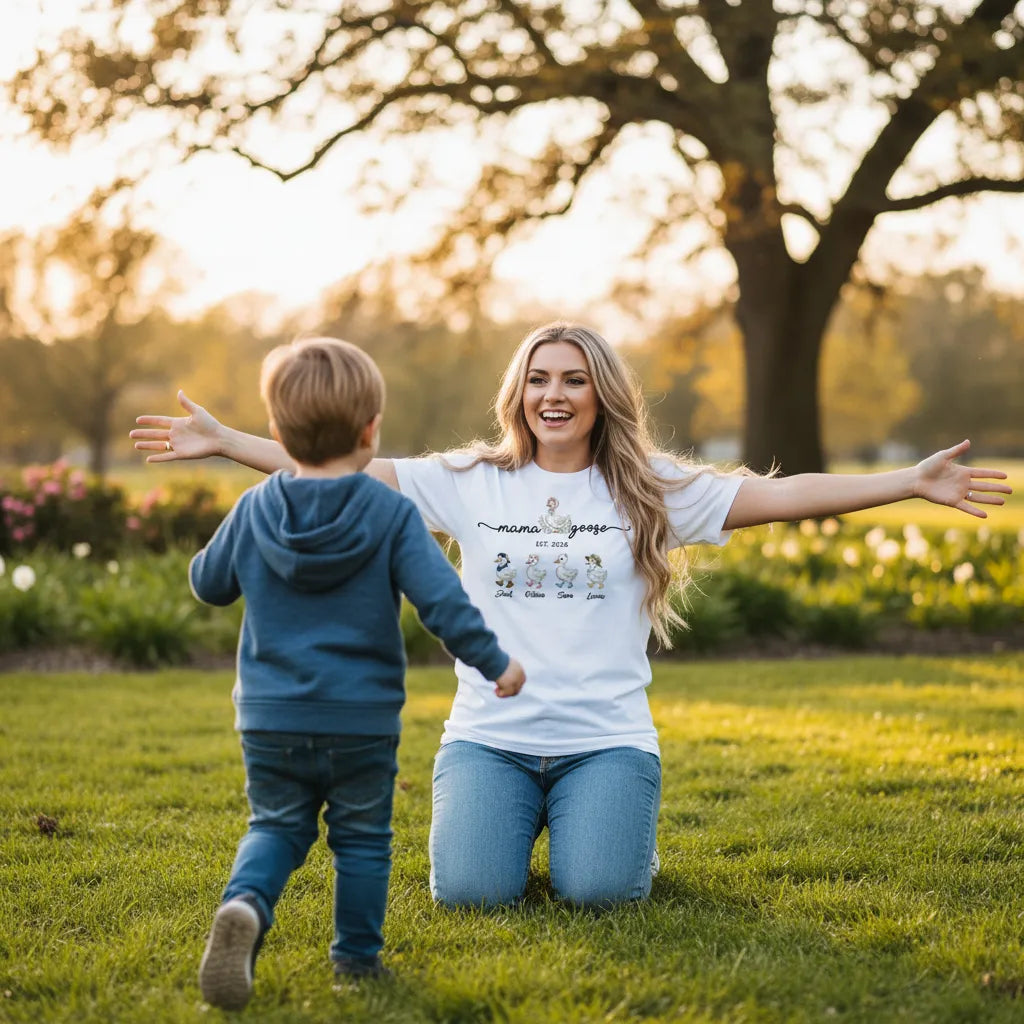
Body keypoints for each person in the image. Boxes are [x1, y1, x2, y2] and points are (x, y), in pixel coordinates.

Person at [132, 321, 1010, 914]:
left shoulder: (651, 489)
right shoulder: (470, 481)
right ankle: (518, 825)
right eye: (539, 380)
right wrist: (230, 442)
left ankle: (612, 830)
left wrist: (909, 481)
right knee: (471, 894)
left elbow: (783, 496)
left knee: (600, 893)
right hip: (490, 740)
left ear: (601, 395)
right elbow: (333, 466)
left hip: (607, 739)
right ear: (518, 394)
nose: (555, 395)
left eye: (575, 381)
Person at [186, 336, 525, 1010]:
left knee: (276, 827)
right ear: (371, 431)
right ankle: (356, 962)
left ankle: (247, 905)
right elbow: (444, 604)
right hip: (360, 720)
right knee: (362, 839)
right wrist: (496, 662)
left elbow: (209, 583)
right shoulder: (390, 514)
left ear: (278, 432)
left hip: (270, 717)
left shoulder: (256, 509)